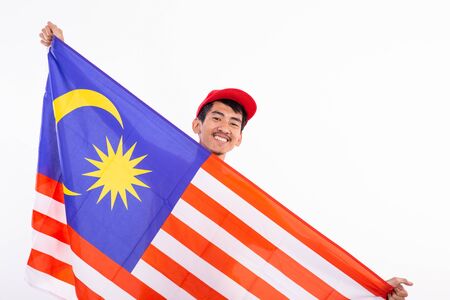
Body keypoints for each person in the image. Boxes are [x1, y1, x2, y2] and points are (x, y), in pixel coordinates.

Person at [39, 21, 413, 299]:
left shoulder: (243, 203)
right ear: (197, 124)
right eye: (217, 117)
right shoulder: (167, 166)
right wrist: (65, 56)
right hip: (154, 283)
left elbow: (294, 253)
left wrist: (373, 287)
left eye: (235, 123)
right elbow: (114, 124)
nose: (225, 126)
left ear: (239, 139)